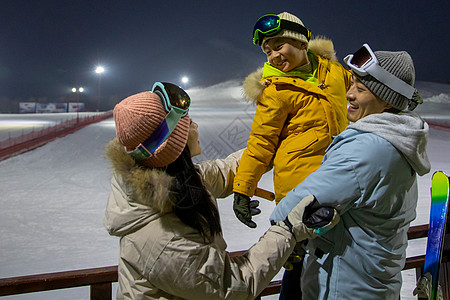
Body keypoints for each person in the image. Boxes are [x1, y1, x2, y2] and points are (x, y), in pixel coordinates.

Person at [103, 82, 340, 299]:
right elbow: (236, 284)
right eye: (187, 123)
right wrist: (287, 229)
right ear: (174, 147)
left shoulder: (176, 182)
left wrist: (276, 143)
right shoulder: (160, 242)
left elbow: (227, 170)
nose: (195, 125)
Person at [270, 44, 431, 299]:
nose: (349, 94)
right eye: (352, 83)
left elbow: (289, 210)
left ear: (387, 99)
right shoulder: (399, 140)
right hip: (375, 285)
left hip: (344, 288)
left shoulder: (366, 150)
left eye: (361, 88)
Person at [232, 11, 351, 299]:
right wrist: (242, 189)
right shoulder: (274, 91)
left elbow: (365, 96)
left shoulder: (334, 72)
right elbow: (261, 142)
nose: (273, 56)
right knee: (298, 268)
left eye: (278, 46)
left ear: (299, 42)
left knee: (340, 260)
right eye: (267, 51)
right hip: (301, 190)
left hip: (342, 179)